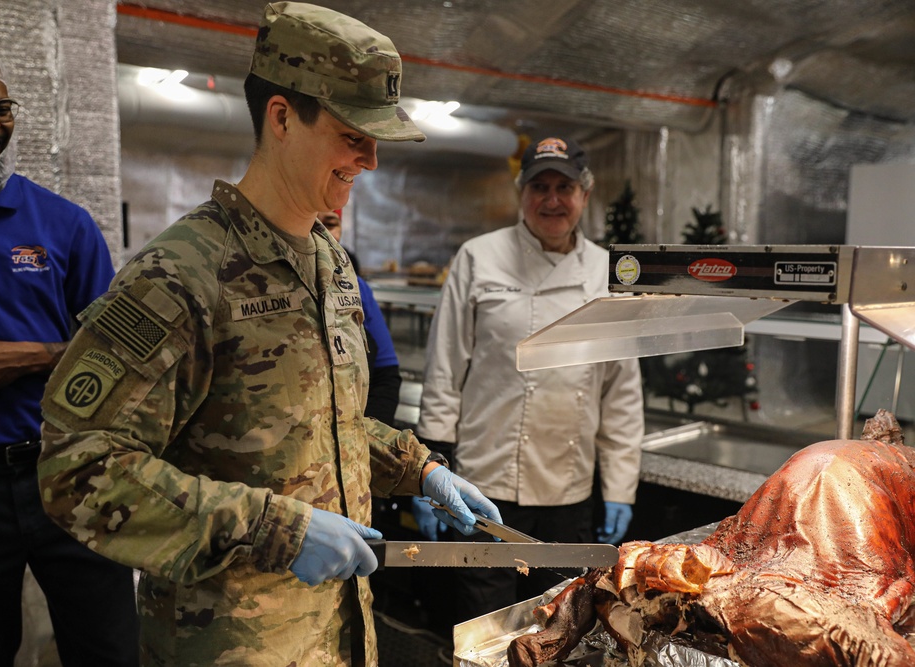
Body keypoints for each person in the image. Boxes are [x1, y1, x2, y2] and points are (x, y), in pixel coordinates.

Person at [36, 3, 501, 666]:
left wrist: (416, 467)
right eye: (352, 134)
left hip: (341, 635)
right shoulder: (182, 273)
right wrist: (275, 526)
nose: (370, 159)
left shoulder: (330, 262)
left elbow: (310, 422)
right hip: (230, 644)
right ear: (283, 117)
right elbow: (77, 467)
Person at [0, 17, 139, 667]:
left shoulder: (63, 224)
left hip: (71, 471)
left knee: (107, 649)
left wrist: (30, 356)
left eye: (1, 107)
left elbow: (128, 352)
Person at [415, 136, 645, 622]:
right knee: (485, 622)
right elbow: (444, 370)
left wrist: (621, 486)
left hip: (570, 490)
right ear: (522, 193)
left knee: (562, 623)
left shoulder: (609, 274)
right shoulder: (478, 257)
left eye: (564, 186)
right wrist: (429, 468)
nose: (552, 199)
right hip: (485, 481)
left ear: (585, 194)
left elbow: (621, 393)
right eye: (539, 186)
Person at [318, 208, 402, 426]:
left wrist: (369, 441)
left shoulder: (357, 288)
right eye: (312, 221)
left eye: (331, 223)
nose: (320, 231)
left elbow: (386, 376)